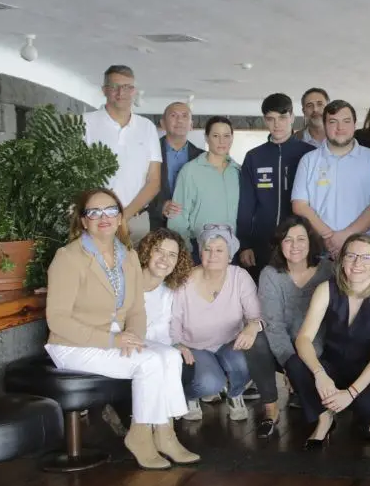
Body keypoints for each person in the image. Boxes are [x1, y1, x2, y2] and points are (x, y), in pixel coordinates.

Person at [44, 189, 195, 470]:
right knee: (150, 361)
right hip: (72, 345)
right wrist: (112, 340)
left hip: (116, 338)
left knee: (170, 357)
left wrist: (133, 338)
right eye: (94, 212)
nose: (104, 217)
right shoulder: (68, 257)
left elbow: (137, 309)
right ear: (83, 220)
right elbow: (58, 320)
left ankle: (165, 435)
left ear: (120, 217)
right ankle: (139, 436)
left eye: (111, 210)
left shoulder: (127, 256)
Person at [290, 235, 370, 449]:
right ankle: (324, 418)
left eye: (366, 257)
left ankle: (367, 416)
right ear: (342, 261)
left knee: (367, 406)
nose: (358, 263)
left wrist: (350, 394)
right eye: (351, 256)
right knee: (295, 363)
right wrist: (320, 375)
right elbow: (303, 338)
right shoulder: (326, 289)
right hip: (334, 365)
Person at [245, 217, 333, 438]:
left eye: (301, 239)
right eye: (288, 240)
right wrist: (290, 366)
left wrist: (307, 361)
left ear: (311, 242)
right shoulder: (270, 275)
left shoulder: (328, 270)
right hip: (283, 349)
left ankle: (324, 408)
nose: (295, 246)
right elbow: (274, 325)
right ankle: (270, 408)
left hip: (320, 349)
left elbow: (331, 322)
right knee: (256, 340)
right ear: (279, 244)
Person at [171, 225, 261, 422]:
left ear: (230, 256)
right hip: (195, 346)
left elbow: (256, 315)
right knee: (209, 384)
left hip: (229, 342)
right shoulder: (184, 281)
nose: (213, 255)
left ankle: (235, 394)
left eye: (220, 250)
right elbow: (174, 320)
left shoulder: (239, 277)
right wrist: (178, 344)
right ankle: (190, 396)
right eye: (207, 249)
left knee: (248, 363)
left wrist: (253, 327)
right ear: (200, 252)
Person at [236, 93, 314, 278]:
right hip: (262, 243)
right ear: (265, 120)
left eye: (282, 117)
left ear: (292, 118)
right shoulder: (254, 157)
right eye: (271, 119)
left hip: (300, 243)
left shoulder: (309, 155)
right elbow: (246, 204)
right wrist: (245, 244)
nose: (277, 124)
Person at [292, 100, 370, 256]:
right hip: (321, 251)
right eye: (333, 122)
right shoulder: (309, 160)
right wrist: (329, 236)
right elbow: (299, 205)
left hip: (364, 252)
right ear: (325, 125)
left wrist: (345, 237)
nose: (340, 128)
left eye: (346, 121)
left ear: (355, 124)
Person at [83, 65, 161, 244]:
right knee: (94, 270)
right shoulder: (85, 123)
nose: (121, 93)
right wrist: (108, 217)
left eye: (127, 87)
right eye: (114, 87)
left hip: (136, 220)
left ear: (133, 90)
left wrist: (123, 217)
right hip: (95, 220)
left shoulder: (146, 127)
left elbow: (154, 181)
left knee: (136, 270)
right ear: (104, 90)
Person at [168, 116, 242, 256]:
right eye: (215, 136)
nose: (222, 141)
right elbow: (178, 214)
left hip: (232, 247)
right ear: (207, 138)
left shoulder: (238, 171)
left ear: (232, 138)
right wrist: (184, 249)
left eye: (226, 136)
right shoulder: (190, 170)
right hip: (198, 247)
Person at [148, 102, 202, 231]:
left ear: (191, 125)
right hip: (158, 227)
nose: (179, 120)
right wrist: (161, 206)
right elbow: (137, 188)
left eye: (185, 116)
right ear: (162, 123)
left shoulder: (202, 157)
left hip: (193, 229)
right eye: (173, 115)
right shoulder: (147, 154)